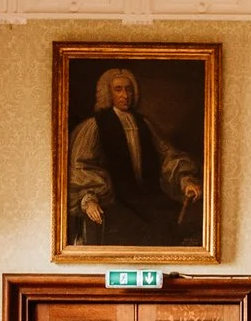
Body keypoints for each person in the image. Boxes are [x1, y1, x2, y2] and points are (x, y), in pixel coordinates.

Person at [67, 66, 203, 246]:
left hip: (149, 199)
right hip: (115, 203)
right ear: (107, 93)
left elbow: (167, 155)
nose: (125, 95)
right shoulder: (94, 126)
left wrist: (185, 180)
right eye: (118, 89)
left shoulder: (144, 123)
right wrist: (88, 198)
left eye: (128, 89)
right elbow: (82, 166)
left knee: (170, 229)